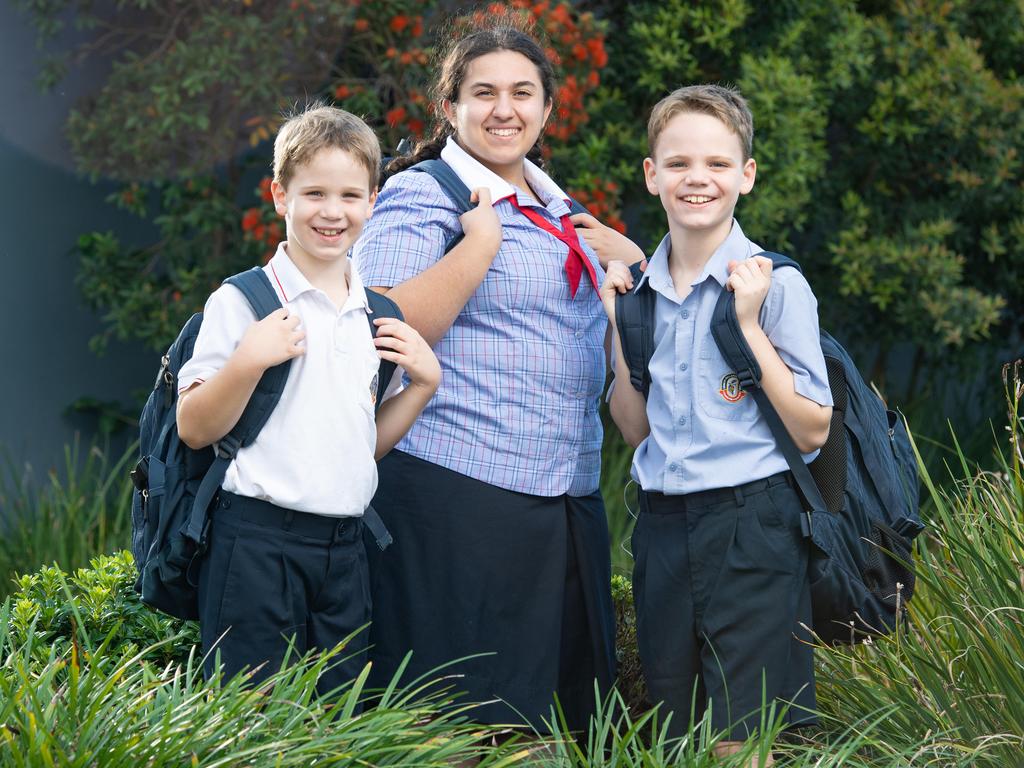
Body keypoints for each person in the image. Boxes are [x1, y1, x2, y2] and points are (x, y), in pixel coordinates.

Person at [352, 20, 639, 730]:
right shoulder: (424, 194)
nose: (503, 108)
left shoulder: (558, 209)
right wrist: (478, 248)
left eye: (521, 92)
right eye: (482, 92)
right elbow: (380, 325)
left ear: (546, 109)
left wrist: (629, 257)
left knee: (550, 726)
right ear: (450, 107)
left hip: (561, 496)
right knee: (454, 723)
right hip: (455, 492)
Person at [600, 85, 833, 763]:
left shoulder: (776, 284)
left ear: (746, 176)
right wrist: (618, 334)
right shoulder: (637, 298)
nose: (696, 178)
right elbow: (636, 431)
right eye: (677, 164)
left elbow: (812, 429)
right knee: (676, 732)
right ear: (652, 175)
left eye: (717, 164)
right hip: (664, 531)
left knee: (741, 739)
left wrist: (749, 325)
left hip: (751, 527)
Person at [175, 104, 440, 695]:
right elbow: (194, 427)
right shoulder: (243, 301)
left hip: (344, 548)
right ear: (280, 196)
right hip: (255, 543)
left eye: (350, 195)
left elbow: (360, 445)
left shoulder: (377, 315)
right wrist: (246, 361)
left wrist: (422, 386)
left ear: (373, 200)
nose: (332, 211)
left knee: (337, 722)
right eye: (314, 192)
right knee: (253, 717)